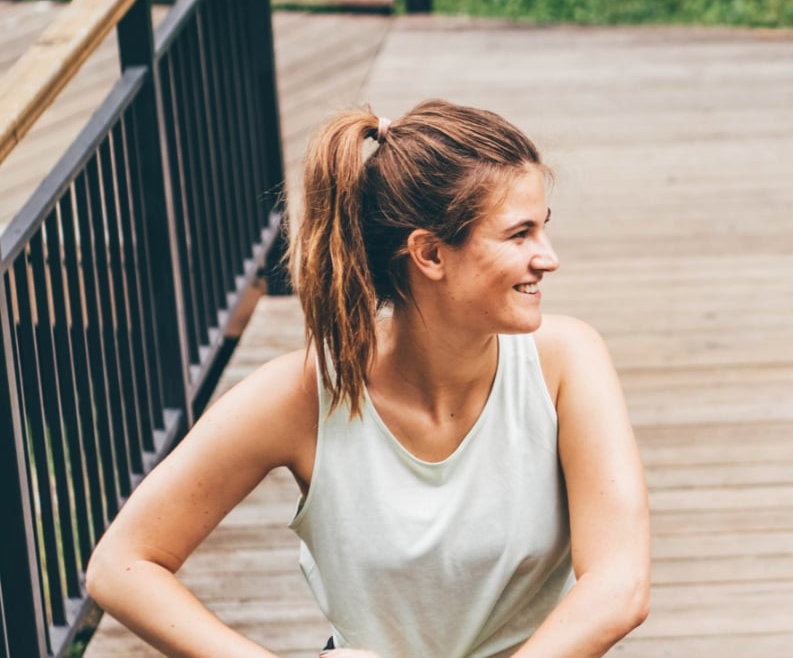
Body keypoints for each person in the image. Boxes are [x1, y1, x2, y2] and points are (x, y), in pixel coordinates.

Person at [86, 100, 651, 657]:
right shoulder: (301, 395)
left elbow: (618, 585)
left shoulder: (567, 360)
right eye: (519, 234)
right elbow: (122, 564)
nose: (547, 257)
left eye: (543, 228)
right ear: (430, 253)